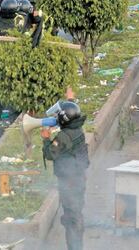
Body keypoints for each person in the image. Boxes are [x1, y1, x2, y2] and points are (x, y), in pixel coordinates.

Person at [42, 100, 89, 250]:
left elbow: (50, 154)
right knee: (76, 213)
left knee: (71, 218)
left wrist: (46, 138)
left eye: (58, 115)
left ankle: (75, 247)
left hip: (69, 182)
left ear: (64, 118)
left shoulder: (63, 136)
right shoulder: (78, 130)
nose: (56, 117)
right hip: (79, 178)